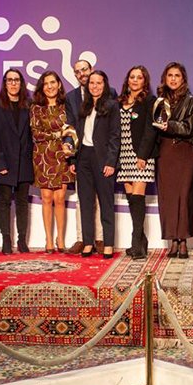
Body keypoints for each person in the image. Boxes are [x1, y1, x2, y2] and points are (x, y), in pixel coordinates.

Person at [65, 59, 117, 254]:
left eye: (98, 83)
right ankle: (88, 242)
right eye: (91, 83)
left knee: (105, 202)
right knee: (85, 201)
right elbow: (72, 132)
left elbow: (115, 136)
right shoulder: (82, 106)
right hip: (83, 156)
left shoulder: (111, 105)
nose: (94, 86)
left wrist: (111, 161)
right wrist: (72, 159)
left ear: (104, 85)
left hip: (103, 157)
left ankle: (108, 244)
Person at [155, 62, 193, 259]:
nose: (173, 79)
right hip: (165, 153)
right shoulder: (159, 101)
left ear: (183, 79)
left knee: (184, 196)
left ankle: (183, 241)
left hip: (184, 152)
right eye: (170, 75)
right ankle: (172, 240)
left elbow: (189, 128)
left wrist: (169, 126)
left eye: (177, 75)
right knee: (168, 198)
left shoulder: (192, 101)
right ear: (165, 78)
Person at [0, 68, 34, 254]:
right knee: (4, 202)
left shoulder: (28, 105)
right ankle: (6, 239)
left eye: (16, 80)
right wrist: (0, 164)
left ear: (21, 83)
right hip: (4, 163)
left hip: (24, 162)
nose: (13, 83)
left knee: (23, 202)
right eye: (9, 80)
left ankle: (22, 240)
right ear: (5, 83)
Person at [30, 71, 75, 253]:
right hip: (42, 156)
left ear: (59, 84)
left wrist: (67, 143)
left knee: (60, 198)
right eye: (46, 83)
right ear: (42, 87)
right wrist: (57, 134)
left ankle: (61, 240)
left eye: (53, 82)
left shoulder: (67, 106)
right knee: (47, 198)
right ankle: (48, 240)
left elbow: (71, 130)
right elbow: (36, 133)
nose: (49, 86)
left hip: (62, 155)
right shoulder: (36, 108)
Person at [117, 65, 158, 260]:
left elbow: (151, 131)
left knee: (138, 197)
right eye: (132, 77)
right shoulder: (120, 101)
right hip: (123, 154)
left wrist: (142, 155)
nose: (135, 80)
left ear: (145, 81)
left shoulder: (149, 101)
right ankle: (141, 240)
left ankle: (136, 244)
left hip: (141, 155)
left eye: (139, 77)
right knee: (132, 199)